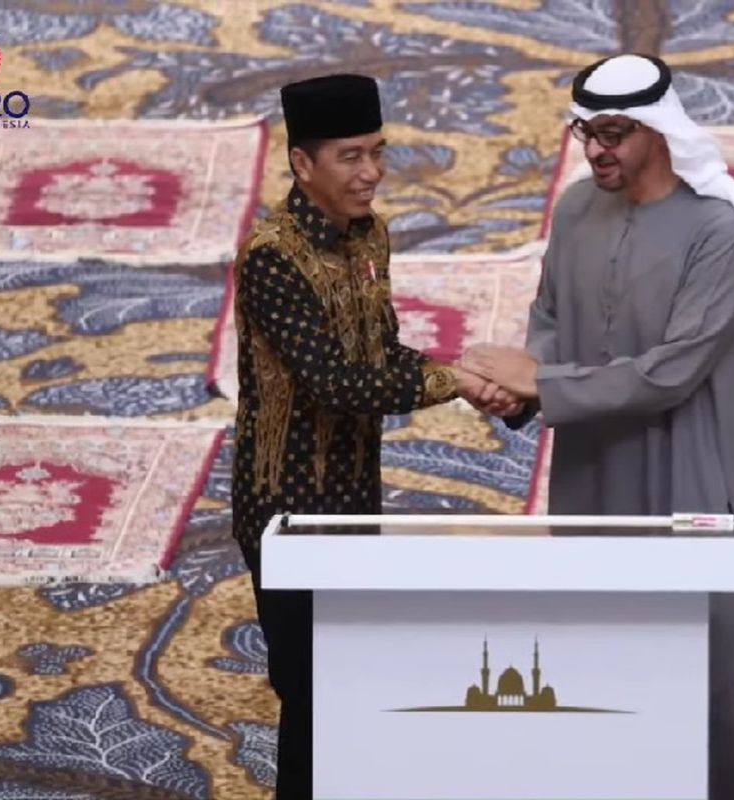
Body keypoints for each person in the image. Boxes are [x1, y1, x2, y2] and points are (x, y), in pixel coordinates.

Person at [460, 53, 734, 798]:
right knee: (600, 648)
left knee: (708, 662)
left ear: (658, 133)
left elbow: (672, 372)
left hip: (689, 468)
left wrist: (540, 381)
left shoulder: (719, 233)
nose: (598, 151)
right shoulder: (575, 210)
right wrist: (521, 392)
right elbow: (550, 320)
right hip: (593, 468)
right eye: (586, 134)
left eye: (614, 134)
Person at [230, 73, 515, 799]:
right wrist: (457, 381)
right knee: (309, 689)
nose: (372, 173)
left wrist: (477, 378)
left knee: (349, 676)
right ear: (303, 164)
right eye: (351, 157)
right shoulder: (273, 258)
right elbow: (335, 383)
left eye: (378, 153)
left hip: (353, 498)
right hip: (285, 510)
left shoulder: (371, 237)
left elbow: (382, 356)